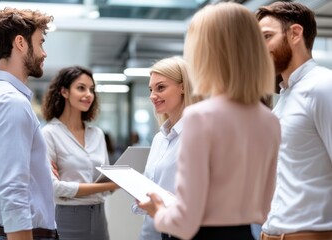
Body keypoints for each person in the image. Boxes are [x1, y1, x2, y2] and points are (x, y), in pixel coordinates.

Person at [137, 2, 281, 240]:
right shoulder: (269, 121)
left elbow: (184, 223)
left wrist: (158, 211)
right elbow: (264, 209)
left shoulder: (200, 117)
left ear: (205, 51)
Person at [0, 8, 58, 240]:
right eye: (40, 43)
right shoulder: (11, 103)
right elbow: (12, 190)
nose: (44, 53)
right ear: (20, 43)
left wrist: (40, 169)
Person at [256, 2, 332, 240]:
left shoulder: (323, 86)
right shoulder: (285, 95)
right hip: (271, 233)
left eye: (267, 37)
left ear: (295, 33)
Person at [40, 66, 120, 240]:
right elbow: (54, 188)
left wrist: (118, 181)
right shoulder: (49, 134)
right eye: (81, 88)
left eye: (91, 89)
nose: (89, 94)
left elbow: (104, 182)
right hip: (67, 218)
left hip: (99, 216)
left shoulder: (97, 134)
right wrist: (110, 185)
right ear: (64, 92)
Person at [131, 56, 202, 240]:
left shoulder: (198, 134)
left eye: (161, 87)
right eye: (151, 89)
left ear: (183, 86)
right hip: (156, 231)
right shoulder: (159, 139)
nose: (152, 96)